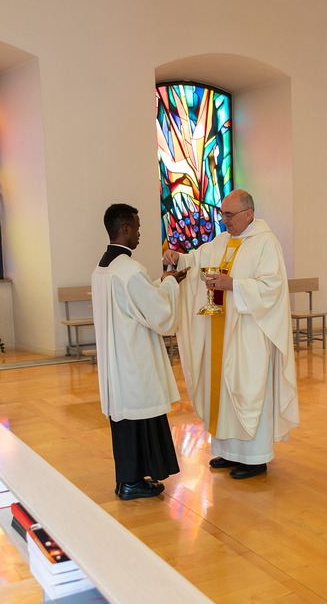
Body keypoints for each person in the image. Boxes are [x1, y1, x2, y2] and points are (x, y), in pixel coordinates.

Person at [162, 190, 299, 479]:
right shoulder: (222, 240)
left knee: (248, 390)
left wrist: (233, 284)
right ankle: (228, 451)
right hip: (219, 331)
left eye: (229, 215)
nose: (225, 220)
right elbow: (197, 261)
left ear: (249, 214)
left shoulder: (265, 243)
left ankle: (255, 457)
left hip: (249, 334)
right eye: (222, 214)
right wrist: (179, 258)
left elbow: (272, 288)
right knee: (222, 390)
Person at [92, 204, 189, 500]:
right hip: (134, 358)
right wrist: (170, 284)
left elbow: (133, 301)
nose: (139, 234)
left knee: (127, 420)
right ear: (125, 229)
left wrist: (162, 283)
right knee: (139, 415)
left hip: (116, 357)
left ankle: (129, 480)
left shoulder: (103, 268)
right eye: (137, 227)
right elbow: (159, 315)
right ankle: (131, 483)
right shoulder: (130, 270)